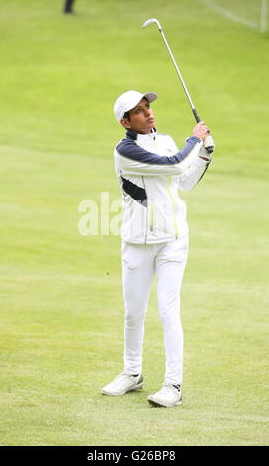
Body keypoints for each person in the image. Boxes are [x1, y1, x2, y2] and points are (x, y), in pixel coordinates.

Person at [101, 90, 214, 407]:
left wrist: (205, 156)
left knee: (168, 311)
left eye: (148, 107)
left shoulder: (164, 140)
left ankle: (172, 386)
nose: (148, 113)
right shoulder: (125, 151)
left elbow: (184, 181)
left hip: (172, 241)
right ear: (126, 121)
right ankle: (132, 374)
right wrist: (195, 141)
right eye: (139, 111)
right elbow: (174, 166)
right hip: (137, 242)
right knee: (133, 313)